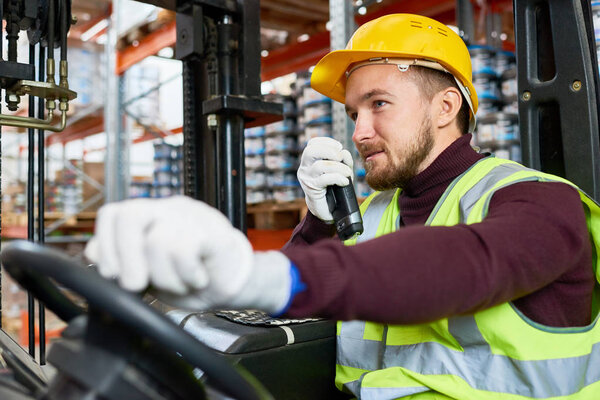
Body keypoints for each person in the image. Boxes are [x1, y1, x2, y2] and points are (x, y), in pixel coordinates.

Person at [85, 13, 600, 400]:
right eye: (354, 112)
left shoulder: (537, 200)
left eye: (379, 104)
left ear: (446, 107)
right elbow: (305, 304)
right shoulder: (374, 210)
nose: (359, 132)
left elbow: (462, 263)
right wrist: (317, 225)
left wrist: (256, 272)